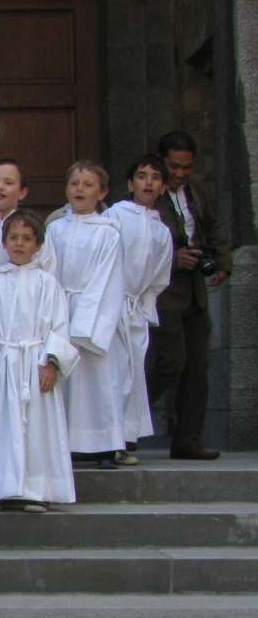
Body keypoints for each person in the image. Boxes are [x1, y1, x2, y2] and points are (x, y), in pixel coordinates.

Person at [0, 213, 77, 511]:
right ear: (4, 242)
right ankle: (3, 488)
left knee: (38, 428)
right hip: (6, 363)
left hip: (36, 364)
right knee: (3, 427)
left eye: (27, 238)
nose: (19, 244)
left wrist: (52, 363)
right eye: (13, 238)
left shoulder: (48, 284)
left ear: (39, 244)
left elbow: (59, 327)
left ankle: (37, 489)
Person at [149, 130, 232, 460]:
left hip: (194, 290)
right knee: (169, 362)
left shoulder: (195, 191)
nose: (180, 174)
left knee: (197, 365)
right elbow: (139, 243)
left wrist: (222, 261)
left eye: (186, 167)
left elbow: (213, 225)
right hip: (164, 291)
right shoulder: (149, 193)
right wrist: (173, 259)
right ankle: (125, 426)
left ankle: (188, 438)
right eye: (174, 166)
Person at [45, 161, 125, 470]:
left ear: (102, 192)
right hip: (62, 307)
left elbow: (107, 279)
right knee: (66, 380)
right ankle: (69, 442)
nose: (80, 189)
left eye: (88, 184)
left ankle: (105, 444)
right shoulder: (55, 229)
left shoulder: (108, 233)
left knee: (98, 381)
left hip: (94, 314)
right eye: (75, 183)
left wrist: (87, 324)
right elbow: (49, 271)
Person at [107, 156, 173, 462]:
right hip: (111, 304)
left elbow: (159, 276)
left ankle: (128, 434)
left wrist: (144, 306)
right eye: (142, 176)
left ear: (162, 187)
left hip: (135, 308)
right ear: (130, 183)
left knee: (134, 373)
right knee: (115, 372)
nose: (148, 182)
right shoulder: (115, 217)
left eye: (155, 178)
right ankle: (110, 435)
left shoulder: (161, 231)